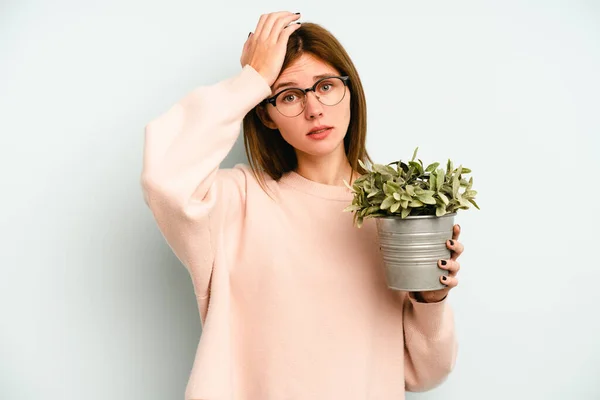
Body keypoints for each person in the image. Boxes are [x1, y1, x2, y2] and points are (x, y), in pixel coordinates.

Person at [141, 11, 463, 400]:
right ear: (267, 114)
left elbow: (422, 374)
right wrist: (252, 80)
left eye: (326, 86)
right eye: (289, 96)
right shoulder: (235, 200)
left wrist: (431, 298)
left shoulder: (395, 212)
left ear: (350, 89)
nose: (314, 109)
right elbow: (164, 178)